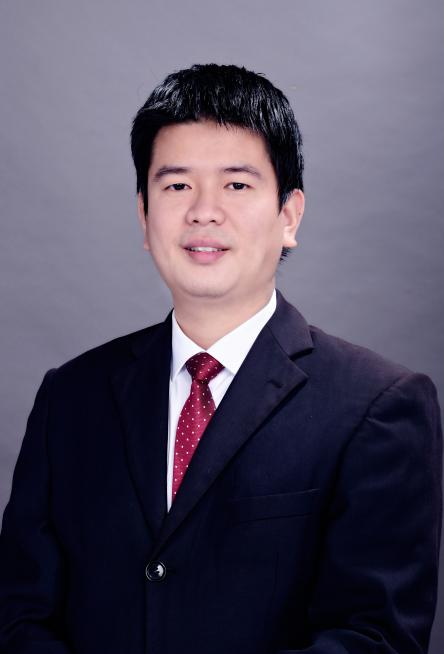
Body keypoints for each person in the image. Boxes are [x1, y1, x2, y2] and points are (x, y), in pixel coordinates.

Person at [0, 63, 442, 654]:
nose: (204, 211)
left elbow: (374, 637)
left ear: (289, 216)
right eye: (177, 186)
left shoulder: (378, 405)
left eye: (236, 185)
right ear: (144, 216)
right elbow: (18, 614)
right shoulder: (70, 397)